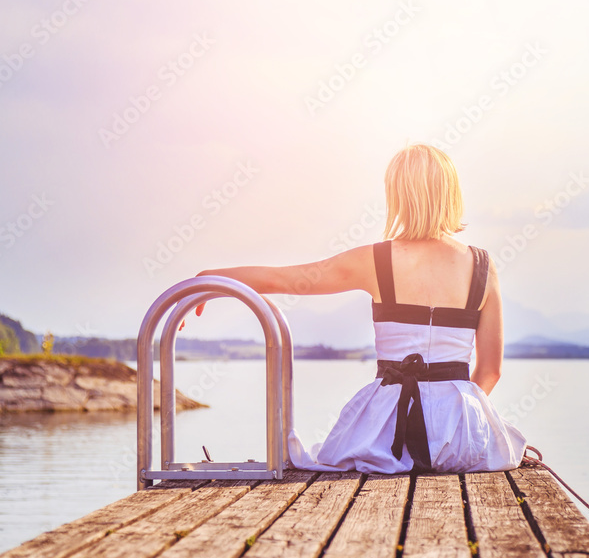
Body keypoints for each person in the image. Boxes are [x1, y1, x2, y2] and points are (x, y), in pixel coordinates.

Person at [189, 143, 527, 473]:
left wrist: (211, 279)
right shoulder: (482, 266)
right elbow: (490, 371)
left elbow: (283, 280)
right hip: (462, 439)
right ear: (451, 194)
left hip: (383, 438)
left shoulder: (375, 260)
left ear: (397, 196)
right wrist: (449, 422)